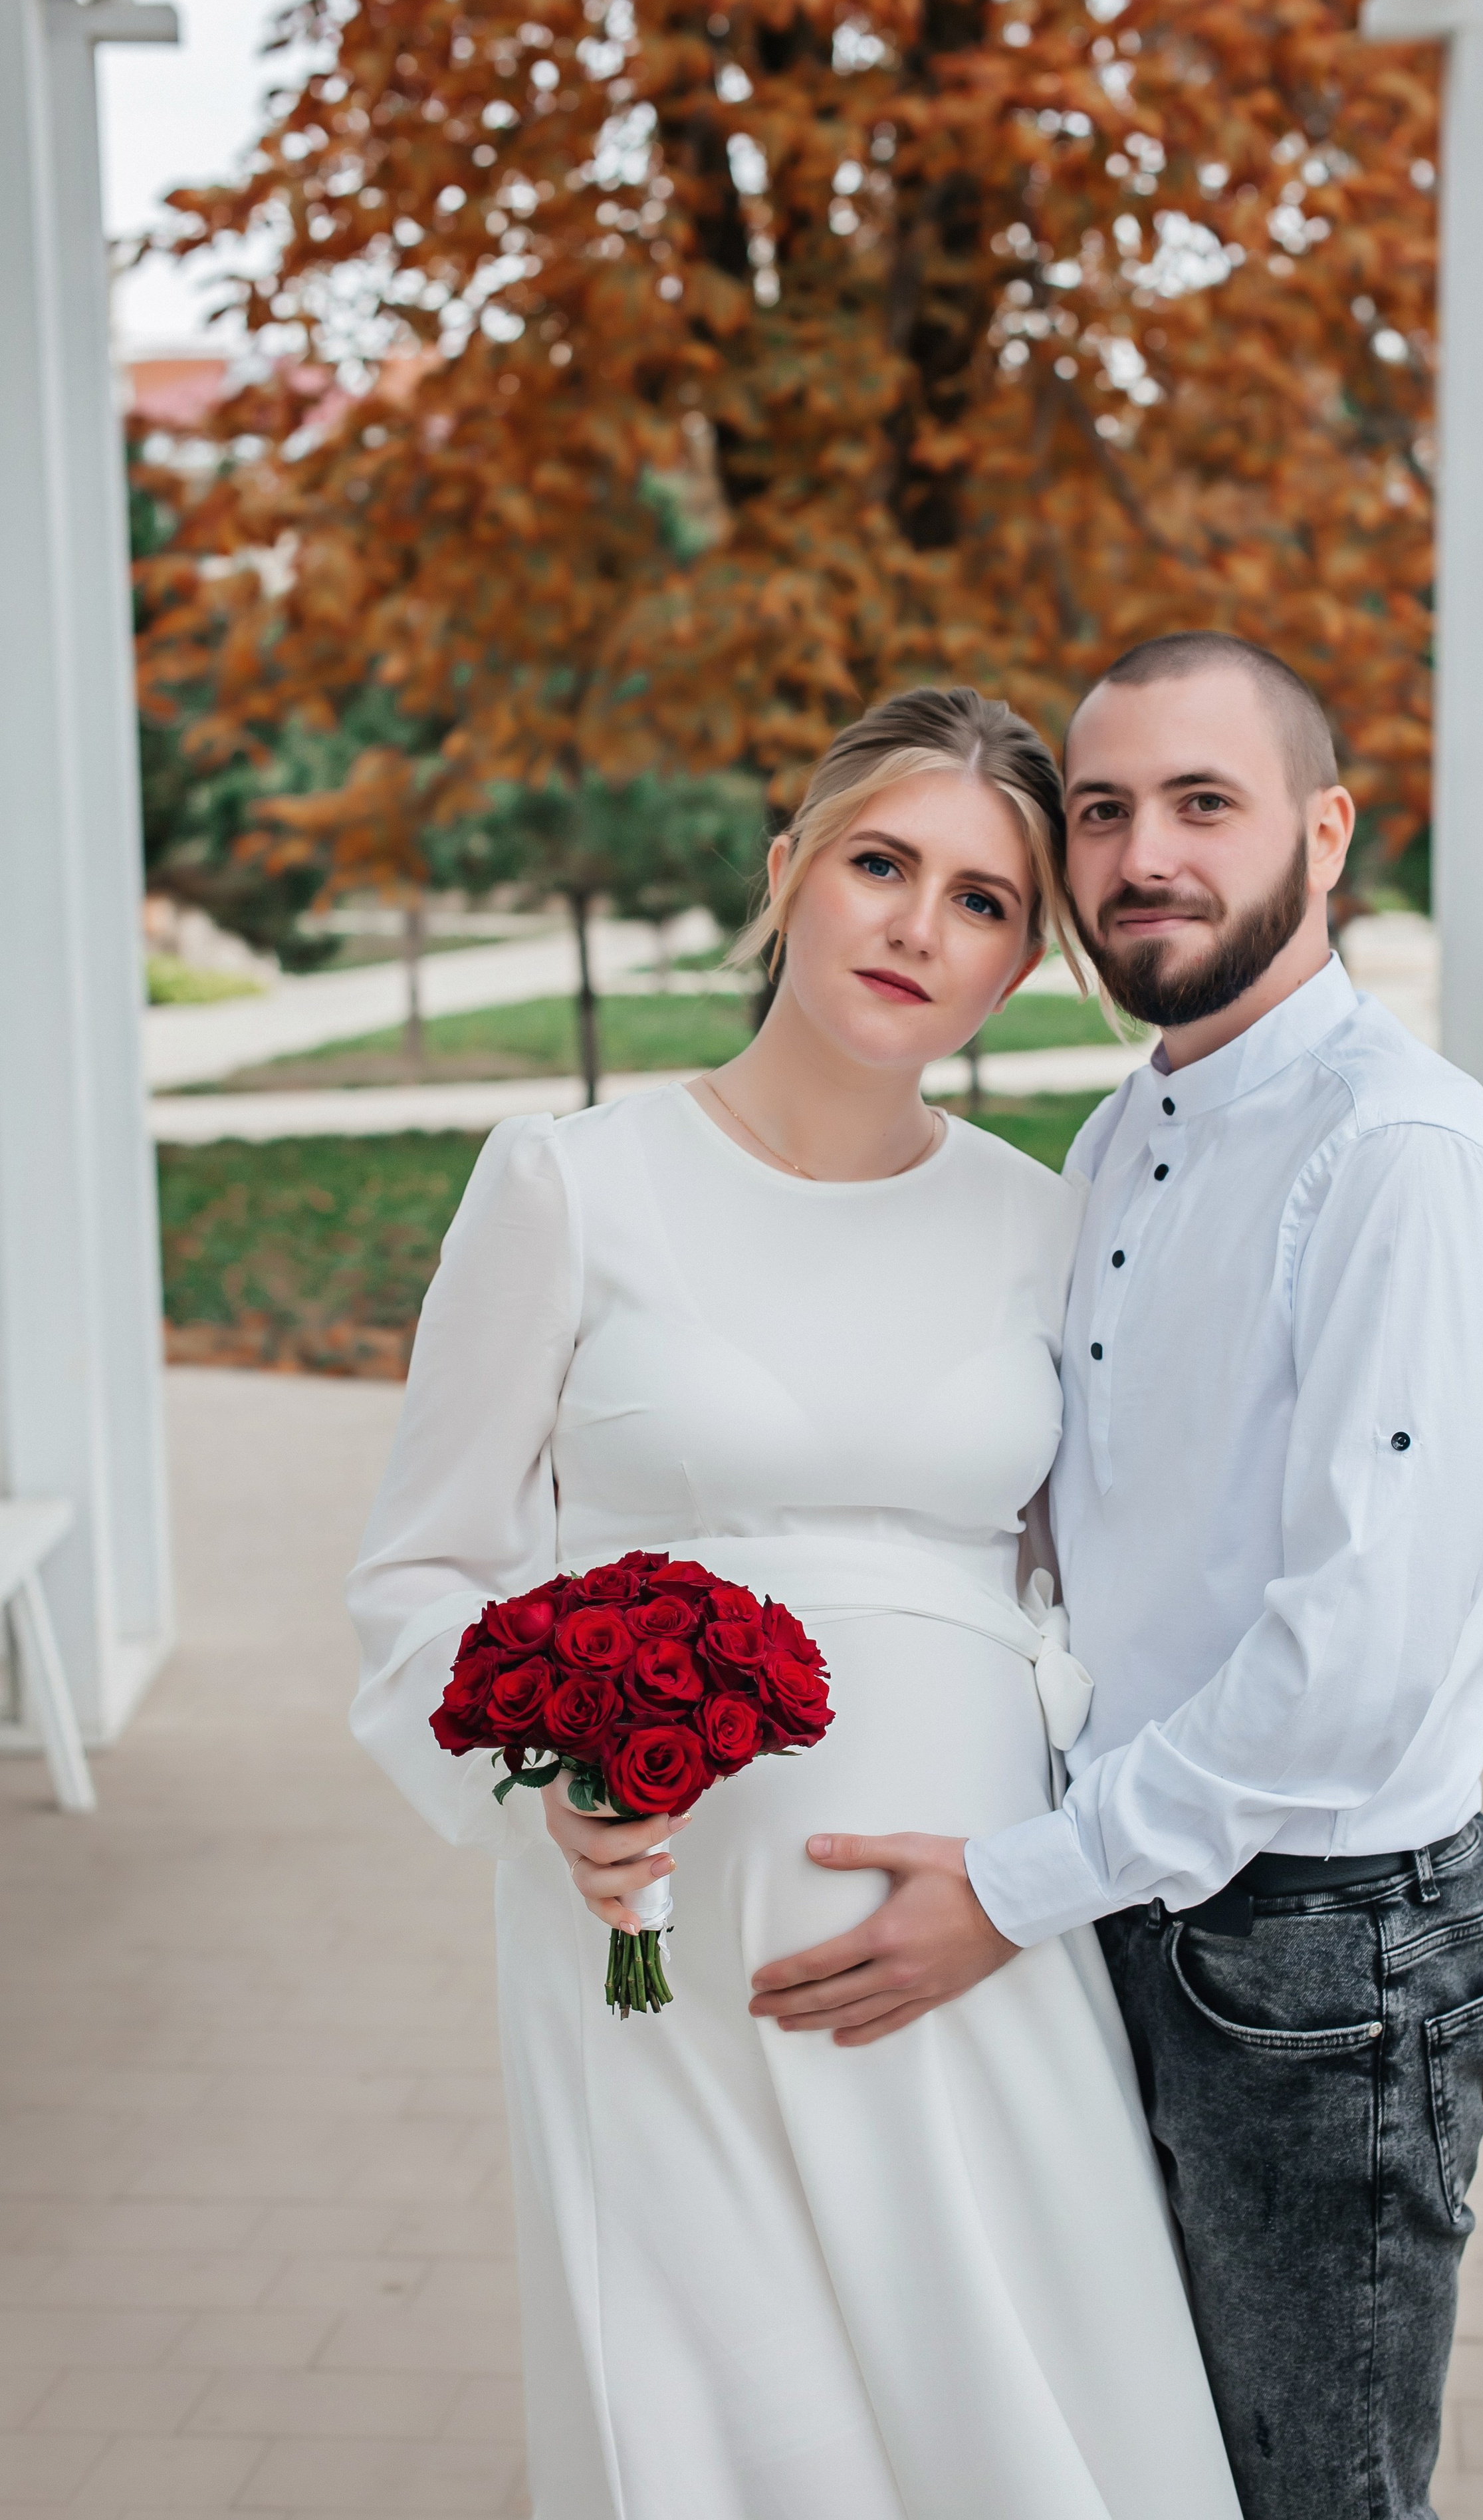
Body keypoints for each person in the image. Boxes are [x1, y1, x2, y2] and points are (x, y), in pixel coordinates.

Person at [347, 686, 1240, 2520]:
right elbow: (421, 1572)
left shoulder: (1041, 1222)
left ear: (1024, 961)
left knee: (1022, 2426)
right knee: (728, 2443)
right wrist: (546, 1798)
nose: (921, 923)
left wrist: (1033, 1862)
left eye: (986, 900)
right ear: (789, 875)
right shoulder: (569, 1186)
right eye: (882, 862)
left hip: (972, 1947)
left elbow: (1100, 1596)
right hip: (659, 1966)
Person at [749, 634, 1483, 2520]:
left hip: (1322, 1954)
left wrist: (1014, 1888)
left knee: (1312, 2495)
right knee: (1154, 2464)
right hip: (1146, 1902)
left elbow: (1353, 1660)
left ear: (1325, 829)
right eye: (1102, 812)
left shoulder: (1399, 1155)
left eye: (1205, 802)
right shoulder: (1120, 1141)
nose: (1143, 856)